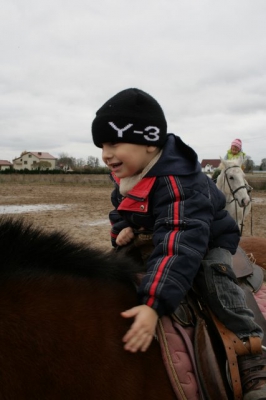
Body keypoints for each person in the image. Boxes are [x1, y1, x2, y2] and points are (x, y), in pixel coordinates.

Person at [91, 88, 266, 400]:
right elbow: (120, 207)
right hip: (159, 233)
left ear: (149, 142)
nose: (105, 153)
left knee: (216, 280)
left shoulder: (179, 182)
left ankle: (252, 350)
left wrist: (153, 305)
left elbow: (180, 241)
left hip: (205, 238)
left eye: (113, 143)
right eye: (102, 145)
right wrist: (123, 227)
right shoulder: (128, 177)